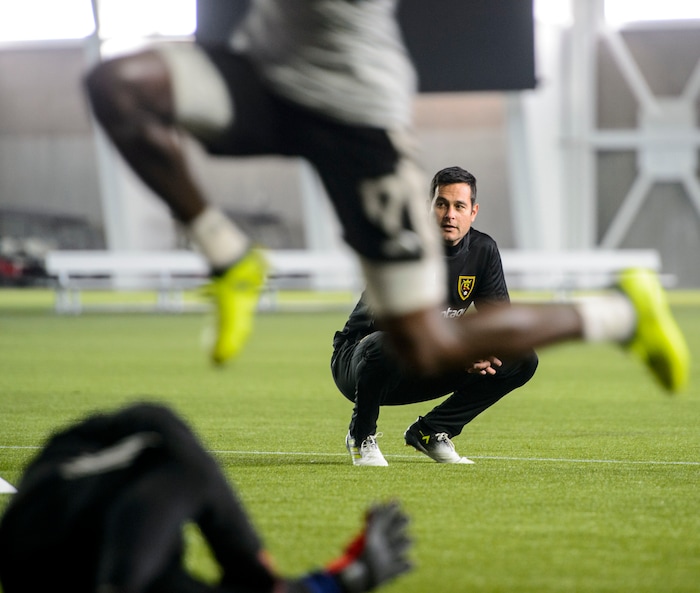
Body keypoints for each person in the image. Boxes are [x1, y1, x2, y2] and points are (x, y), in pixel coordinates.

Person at [84, 1, 690, 391]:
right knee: (116, 87)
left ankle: (620, 312)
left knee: (426, 343)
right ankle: (231, 258)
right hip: (262, 75)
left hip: (356, 114)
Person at [0, 402, 412, 593]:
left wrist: (329, 584)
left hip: (38, 544)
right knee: (185, 464)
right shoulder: (173, 461)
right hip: (48, 523)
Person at [333, 166, 538, 466]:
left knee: (521, 359)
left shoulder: (483, 251)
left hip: (424, 361)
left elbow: (498, 326)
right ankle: (361, 435)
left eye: (459, 206)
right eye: (441, 204)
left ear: (473, 212)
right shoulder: (406, 249)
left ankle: (431, 431)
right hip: (359, 361)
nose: (449, 214)